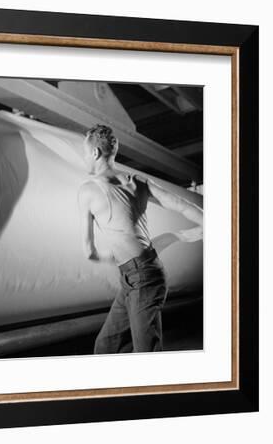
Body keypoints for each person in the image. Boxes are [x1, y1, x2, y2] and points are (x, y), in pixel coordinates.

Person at [77, 124, 203, 354]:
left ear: (95, 153)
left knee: (146, 355)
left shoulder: (87, 190)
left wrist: (121, 261)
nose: (84, 158)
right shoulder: (138, 181)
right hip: (139, 276)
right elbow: (184, 206)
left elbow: (89, 252)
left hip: (141, 279)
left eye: (85, 153)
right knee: (105, 347)